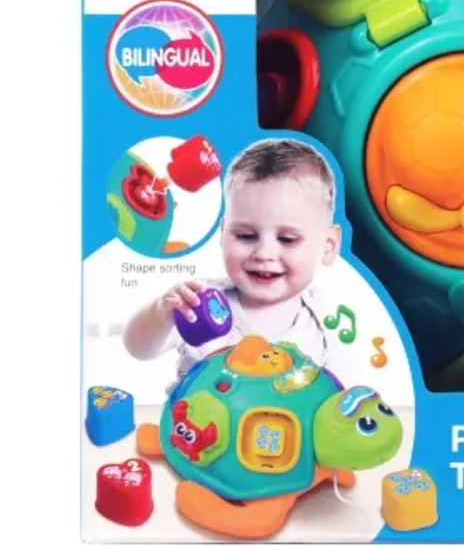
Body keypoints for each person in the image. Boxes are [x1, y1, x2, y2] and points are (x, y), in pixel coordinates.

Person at [124, 138, 341, 383]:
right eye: (246, 236)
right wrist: (161, 314)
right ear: (223, 233)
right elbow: (137, 348)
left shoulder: (325, 328)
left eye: (287, 239)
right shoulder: (199, 300)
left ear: (328, 246)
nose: (264, 253)